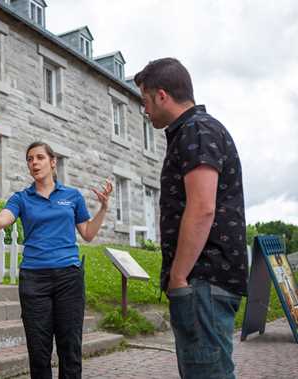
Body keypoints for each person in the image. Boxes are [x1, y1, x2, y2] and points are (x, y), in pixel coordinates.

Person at [0, 141, 112, 379]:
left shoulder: (72, 196)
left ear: (52, 162)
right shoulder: (21, 198)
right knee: (38, 351)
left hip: (69, 278)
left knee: (70, 347)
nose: (34, 163)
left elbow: (88, 234)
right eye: (30, 159)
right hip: (34, 279)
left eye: (39, 157)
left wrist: (103, 208)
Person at [134, 58, 248, 379]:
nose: (144, 110)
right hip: (205, 280)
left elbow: (202, 206)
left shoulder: (196, 129)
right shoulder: (198, 129)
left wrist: (179, 277)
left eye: (144, 101)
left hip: (202, 280)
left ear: (161, 95)